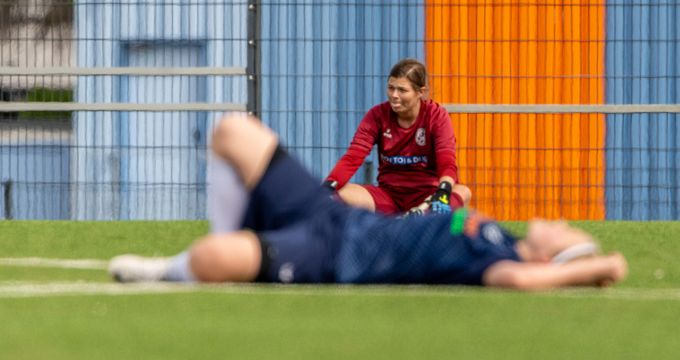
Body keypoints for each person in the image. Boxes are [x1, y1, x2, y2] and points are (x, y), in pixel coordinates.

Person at [109, 115, 627, 290]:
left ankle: (172, 268)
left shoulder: (500, 262)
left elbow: (523, 282)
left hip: (335, 256)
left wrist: (596, 265)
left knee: (211, 261)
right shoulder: (501, 238)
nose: (559, 221)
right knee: (232, 130)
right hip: (335, 214)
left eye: (565, 233)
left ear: (546, 258)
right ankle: (232, 235)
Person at [324, 58, 471, 215]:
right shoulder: (377, 115)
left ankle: (424, 215)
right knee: (339, 193)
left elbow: (447, 161)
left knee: (463, 192)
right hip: (389, 196)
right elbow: (353, 157)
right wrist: (327, 187)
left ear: (420, 92)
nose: (394, 95)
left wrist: (443, 190)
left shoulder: (437, 116)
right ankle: (406, 221)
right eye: (390, 88)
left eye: (402, 90)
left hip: (428, 194)